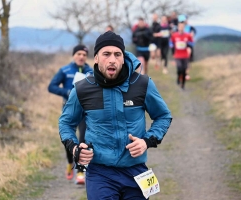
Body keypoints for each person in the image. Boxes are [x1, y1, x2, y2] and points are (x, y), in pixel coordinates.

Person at [59, 31, 172, 199]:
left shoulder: (142, 84)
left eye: (117, 54)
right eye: (106, 54)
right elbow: (66, 123)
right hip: (100, 173)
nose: (112, 59)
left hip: (136, 171)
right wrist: (75, 147)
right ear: (96, 58)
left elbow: (163, 116)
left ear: (123, 57)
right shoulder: (82, 89)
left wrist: (147, 141)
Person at [48, 44, 93, 184]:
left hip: (86, 111)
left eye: (84, 55)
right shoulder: (65, 70)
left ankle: (80, 172)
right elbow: (51, 86)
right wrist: (67, 92)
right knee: (69, 140)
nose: (81, 57)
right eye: (79, 54)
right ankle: (70, 163)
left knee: (83, 139)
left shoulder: (91, 71)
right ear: (74, 55)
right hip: (69, 111)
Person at [171, 20, 193, 89]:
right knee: (179, 68)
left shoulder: (187, 35)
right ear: (178, 27)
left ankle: (183, 84)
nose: (181, 28)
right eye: (180, 26)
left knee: (184, 69)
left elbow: (191, 43)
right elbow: (171, 43)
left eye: (182, 26)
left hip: (185, 55)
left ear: (184, 27)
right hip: (177, 55)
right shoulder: (175, 35)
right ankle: (178, 77)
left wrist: (189, 48)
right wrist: (173, 51)